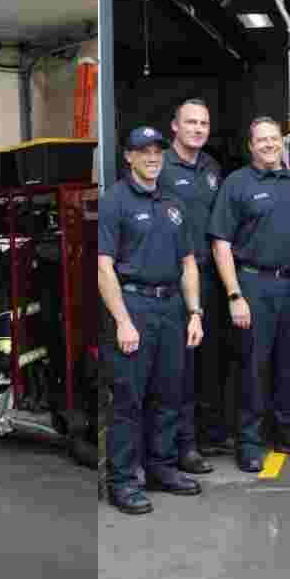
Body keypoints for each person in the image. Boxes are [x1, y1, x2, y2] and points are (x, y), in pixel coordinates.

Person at [99, 126, 205, 515]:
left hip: (172, 309)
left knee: (169, 394)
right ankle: (123, 481)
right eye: (143, 151)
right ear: (128, 156)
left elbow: (188, 263)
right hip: (134, 307)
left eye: (157, 151)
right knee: (128, 399)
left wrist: (194, 312)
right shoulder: (115, 201)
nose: (152, 157)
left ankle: (160, 468)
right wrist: (123, 322)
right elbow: (103, 268)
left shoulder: (173, 204)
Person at [209, 117, 290, 472]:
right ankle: (250, 442)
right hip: (253, 284)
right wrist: (234, 294)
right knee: (253, 365)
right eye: (262, 140)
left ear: (282, 141)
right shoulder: (236, 184)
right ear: (250, 146)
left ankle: (289, 432)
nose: (269, 145)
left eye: (274, 139)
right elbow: (221, 243)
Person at [157, 98, 228, 472]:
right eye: (191, 123)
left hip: (210, 276)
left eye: (203, 123)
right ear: (175, 126)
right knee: (179, 366)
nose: (198, 129)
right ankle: (183, 445)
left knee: (210, 361)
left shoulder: (211, 167)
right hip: (176, 278)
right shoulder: (161, 168)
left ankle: (209, 433)